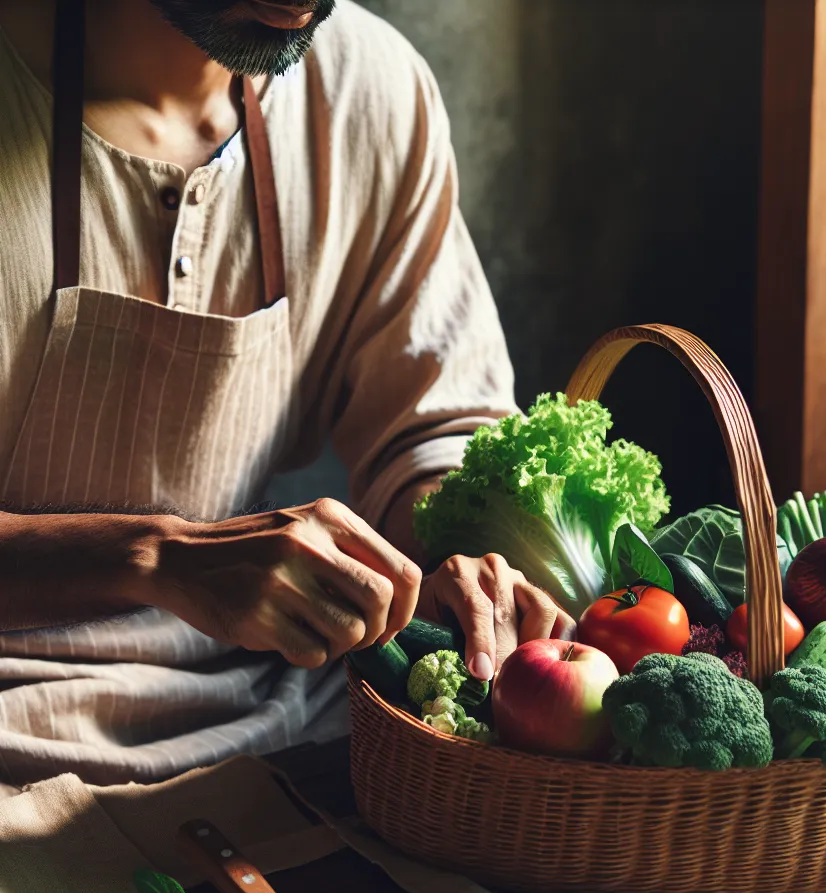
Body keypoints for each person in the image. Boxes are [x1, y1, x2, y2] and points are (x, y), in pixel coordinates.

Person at [0, 0, 571, 788]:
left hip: (265, 719)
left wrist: (457, 560)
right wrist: (153, 555)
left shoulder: (369, 90)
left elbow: (431, 424)